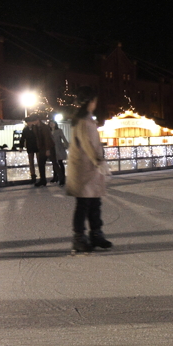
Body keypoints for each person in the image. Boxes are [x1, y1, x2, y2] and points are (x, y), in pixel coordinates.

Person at [66, 87, 112, 253]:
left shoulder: (86, 119)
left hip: (89, 169)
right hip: (84, 169)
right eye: (94, 101)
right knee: (84, 204)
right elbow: (87, 144)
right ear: (89, 102)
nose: (95, 103)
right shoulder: (84, 121)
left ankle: (96, 234)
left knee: (94, 203)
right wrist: (99, 161)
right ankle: (79, 238)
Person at [49, 119, 68, 186]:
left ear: (55, 124)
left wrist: (67, 145)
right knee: (54, 163)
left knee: (60, 162)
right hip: (52, 149)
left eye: (53, 123)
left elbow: (64, 138)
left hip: (59, 148)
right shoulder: (49, 131)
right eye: (50, 123)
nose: (52, 124)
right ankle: (55, 177)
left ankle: (62, 177)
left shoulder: (59, 131)